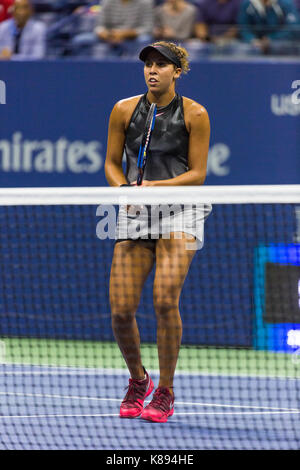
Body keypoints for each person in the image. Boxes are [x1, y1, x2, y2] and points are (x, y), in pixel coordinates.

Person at [104, 41, 211, 423]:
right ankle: (139, 380)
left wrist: (157, 190)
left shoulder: (195, 114)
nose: (153, 70)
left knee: (165, 300)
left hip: (179, 210)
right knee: (120, 311)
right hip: (136, 211)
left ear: (176, 72)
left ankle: (164, 391)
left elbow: (197, 174)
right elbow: (112, 164)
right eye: (148, 64)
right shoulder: (123, 110)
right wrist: (124, 192)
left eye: (161, 65)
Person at [71, 0, 153, 58]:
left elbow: (147, 28)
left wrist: (125, 34)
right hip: (109, 34)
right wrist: (103, 33)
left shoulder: (145, 2)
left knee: (145, 39)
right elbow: (99, 25)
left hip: (132, 36)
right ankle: (85, 69)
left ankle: (136, 67)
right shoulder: (107, 1)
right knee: (80, 40)